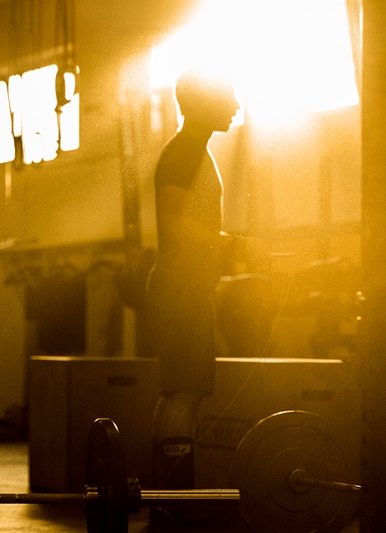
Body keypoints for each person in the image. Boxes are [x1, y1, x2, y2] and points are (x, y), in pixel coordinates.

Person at [145, 69, 268, 527]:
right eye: (228, 96)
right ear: (197, 103)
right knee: (185, 394)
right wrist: (235, 245)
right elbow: (175, 227)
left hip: (186, 286)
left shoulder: (194, 151)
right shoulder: (184, 152)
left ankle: (167, 500)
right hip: (180, 288)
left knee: (179, 393)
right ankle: (175, 504)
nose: (236, 104)